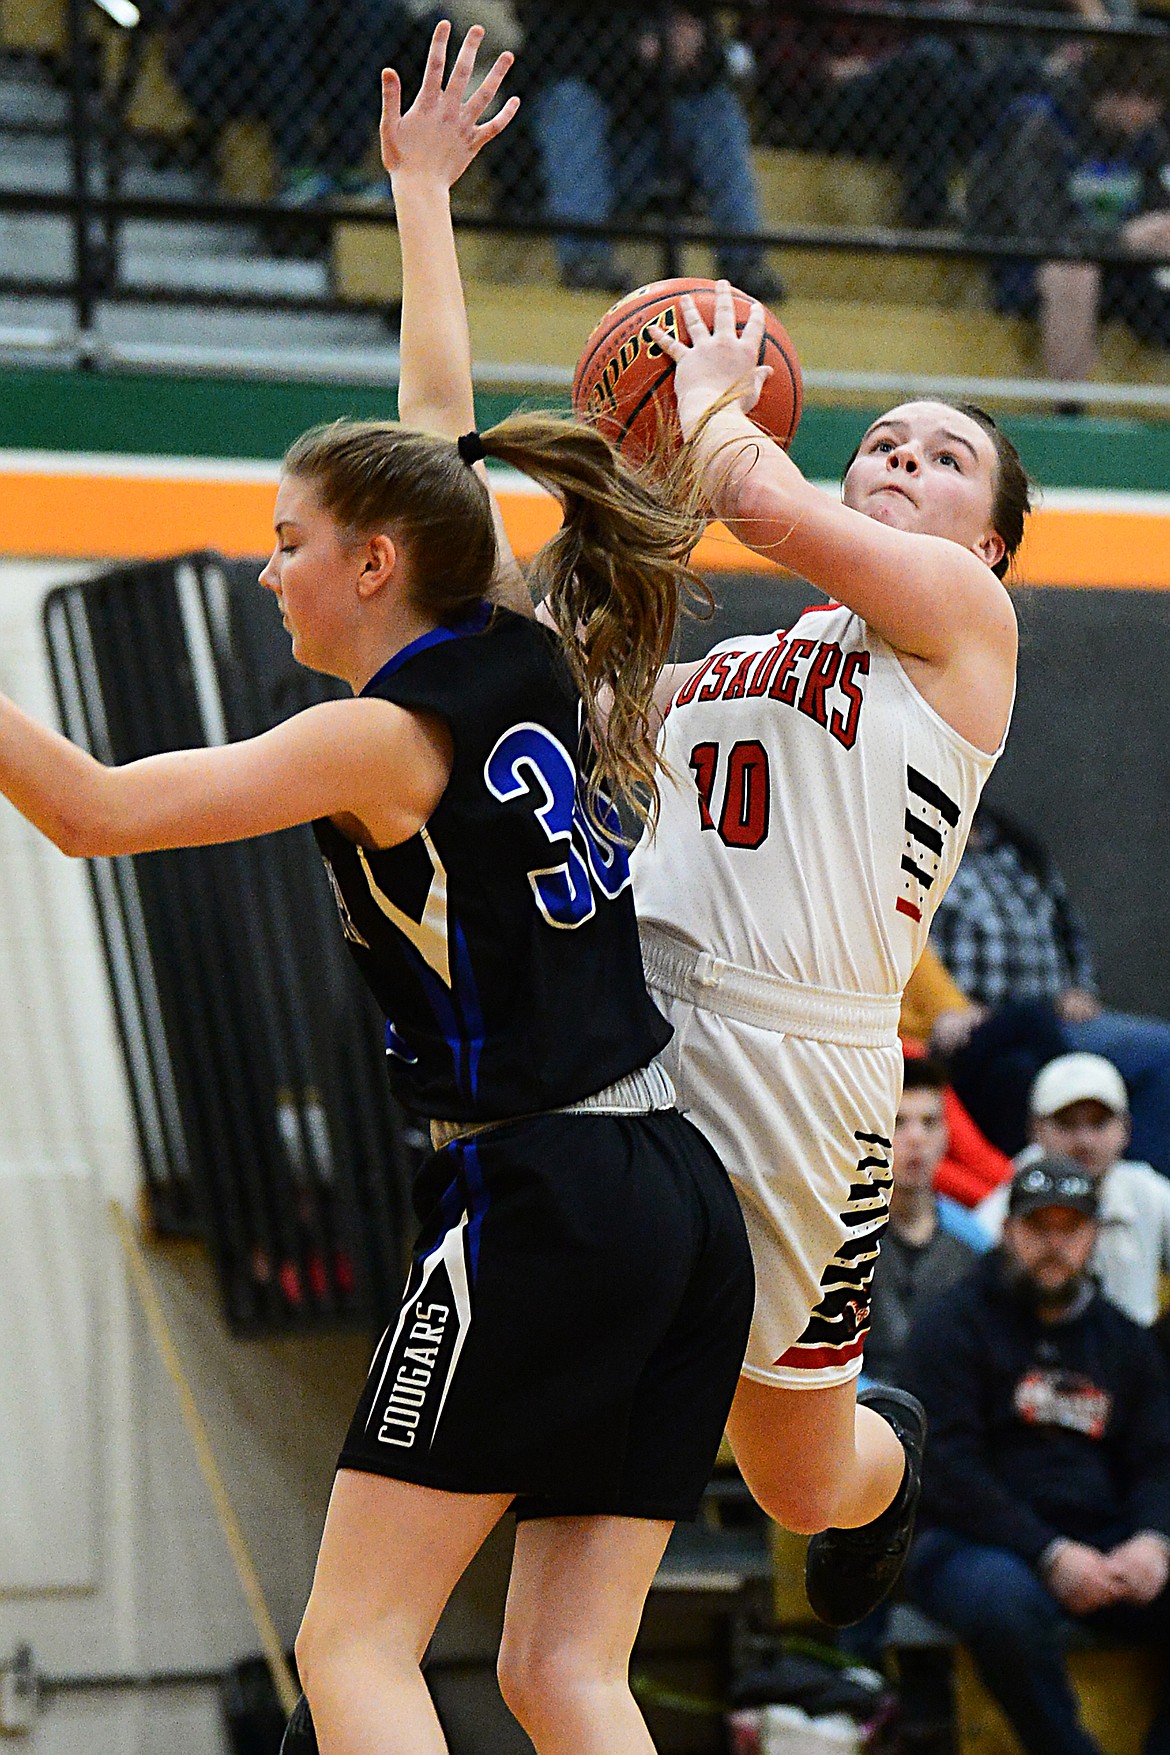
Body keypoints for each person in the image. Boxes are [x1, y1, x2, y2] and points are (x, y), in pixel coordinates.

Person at [2, 30, 758, 1755]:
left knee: (353, 1645)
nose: (263, 565)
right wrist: (422, 198)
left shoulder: (380, 734)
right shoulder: (497, 615)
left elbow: (98, 814)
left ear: (368, 563)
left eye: (282, 538)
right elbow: (438, 416)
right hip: (669, 1194)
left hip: (539, 1195)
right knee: (564, 1675)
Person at [620, 291, 1024, 1629]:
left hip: (809, 1063)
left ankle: (886, 1452)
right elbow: (584, 687)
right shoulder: (734, 658)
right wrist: (618, 486)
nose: (903, 458)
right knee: (542, 1346)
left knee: (794, 1480)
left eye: (944, 457)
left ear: (991, 541)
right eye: (885, 443)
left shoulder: (968, 629)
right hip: (637, 1027)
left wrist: (708, 404)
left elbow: (768, 511)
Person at [901, 1158, 1170, 1755]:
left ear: (1094, 1235)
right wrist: (1049, 1554)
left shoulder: (1125, 1340)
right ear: (1007, 1232)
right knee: (1004, 1605)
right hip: (972, 1541)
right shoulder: (951, 1326)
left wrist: (1153, 1538)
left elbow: (1157, 1460)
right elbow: (946, 1468)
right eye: (1037, 1227)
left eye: (1070, 1227)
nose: (1054, 1243)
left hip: (1103, 1538)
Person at [930, 804, 1170, 1173]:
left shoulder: (1013, 846)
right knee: (1021, 1057)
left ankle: (1133, 1187)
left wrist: (1081, 987)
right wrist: (946, 1011)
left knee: (1158, 1050)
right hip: (971, 1023)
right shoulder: (913, 847)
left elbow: (1068, 926)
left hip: (1059, 1013)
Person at [514, 1, 780, 297]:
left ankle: (744, 262)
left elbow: (717, 69)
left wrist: (693, 49)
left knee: (717, 108)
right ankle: (585, 257)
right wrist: (636, 48)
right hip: (576, 161)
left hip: (655, 150)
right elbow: (544, 58)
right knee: (570, 101)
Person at [967, 41, 1170, 390]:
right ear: (1112, 92)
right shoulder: (1044, 127)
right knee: (1074, 273)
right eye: (1142, 100)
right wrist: (1122, 238)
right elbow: (1041, 233)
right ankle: (1070, 412)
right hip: (1028, 266)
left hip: (1121, 270)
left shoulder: (1148, 141)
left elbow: (1154, 212)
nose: (1148, 114)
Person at [977, 1051, 1170, 1328]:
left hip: (1132, 1361)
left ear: (1125, 1128)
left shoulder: (1147, 1192)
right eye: (1067, 1124)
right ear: (1035, 1129)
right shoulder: (1002, 1209)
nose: (1084, 1140)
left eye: (1098, 1123)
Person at [862, 1057, 984, 1390]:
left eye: (929, 1122)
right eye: (898, 1122)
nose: (916, 1138)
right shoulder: (841, 1235)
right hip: (856, 1415)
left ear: (946, 1136)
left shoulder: (976, 1241)